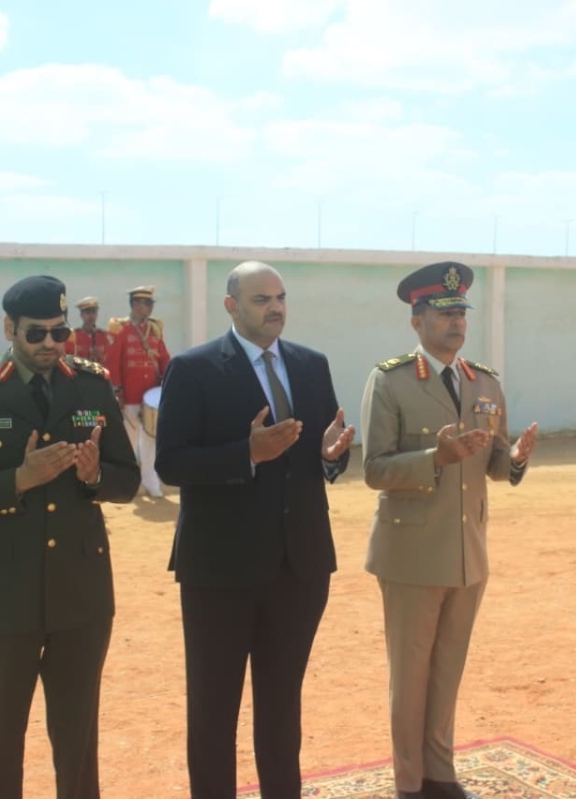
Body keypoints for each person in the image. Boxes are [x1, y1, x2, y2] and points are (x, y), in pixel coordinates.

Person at [0, 275, 140, 799]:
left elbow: (128, 480)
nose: (50, 344)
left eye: (59, 333)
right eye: (36, 333)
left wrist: (94, 475)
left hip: (80, 592)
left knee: (78, 742)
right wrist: (18, 480)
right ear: (9, 329)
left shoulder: (90, 385)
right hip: (2, 595)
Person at [154, 261, 355, 799]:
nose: (275, 308)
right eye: (262, 299)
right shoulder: (193, 369)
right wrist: (246, 453)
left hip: (299, 566)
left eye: (280, 297)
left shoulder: (311, 365)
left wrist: (331, 456)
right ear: (231, 305)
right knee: (213, 710)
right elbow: (170, 463)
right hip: (220, 570)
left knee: (282, 707)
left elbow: (322, 451)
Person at [361, 261, 538, 799]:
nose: (457, 321)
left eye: (461, 311)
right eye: (443, 312)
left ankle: (440, 774)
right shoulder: (390, 380)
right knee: (410, 676)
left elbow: (494, 462)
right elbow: (375, 469)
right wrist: (433, 458)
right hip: (411, 553)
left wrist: (516, 458)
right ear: (416, 321)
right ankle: (409, 783)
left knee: (447, 671)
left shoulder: (485, 382)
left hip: (467, 552)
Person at [106, 285, 171, 498]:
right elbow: (113, 362)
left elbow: (164, 359)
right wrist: (117, 391)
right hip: (130, 395)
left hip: (151, 395)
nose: (150, 307)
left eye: (151, 303)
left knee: (151, 441)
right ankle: (126, 483)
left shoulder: (155, 329)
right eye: (146, 303)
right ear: (135, 304)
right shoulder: (120, 328)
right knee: (129, 441)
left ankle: (150, 482)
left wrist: (168, 382)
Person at [65, 296, 114, 365]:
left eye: (94, 312)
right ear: (81, 315)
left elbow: (110, 359)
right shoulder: (73, 336)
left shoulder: (104, 336)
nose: (91, 316)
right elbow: (68, 359)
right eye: (88, 312)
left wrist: (101, 356)